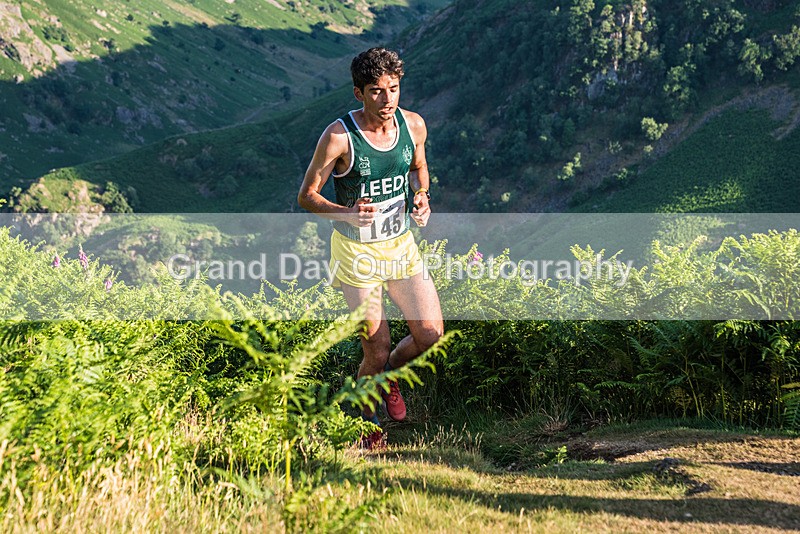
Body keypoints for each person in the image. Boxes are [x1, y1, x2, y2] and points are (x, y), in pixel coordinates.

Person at [298, 47, 443, 449]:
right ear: (359, 93)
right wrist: (345, 214)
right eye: (376, 91)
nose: (387, 100)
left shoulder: (413, 126)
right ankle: (366, 427)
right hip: (356, 254)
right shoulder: (339, 137)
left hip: (401, 246)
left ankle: (390, 378)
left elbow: (418, 170)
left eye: (393, 89)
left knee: (430, 334)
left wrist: (423, 197)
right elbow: (307, 196)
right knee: (375, 349)